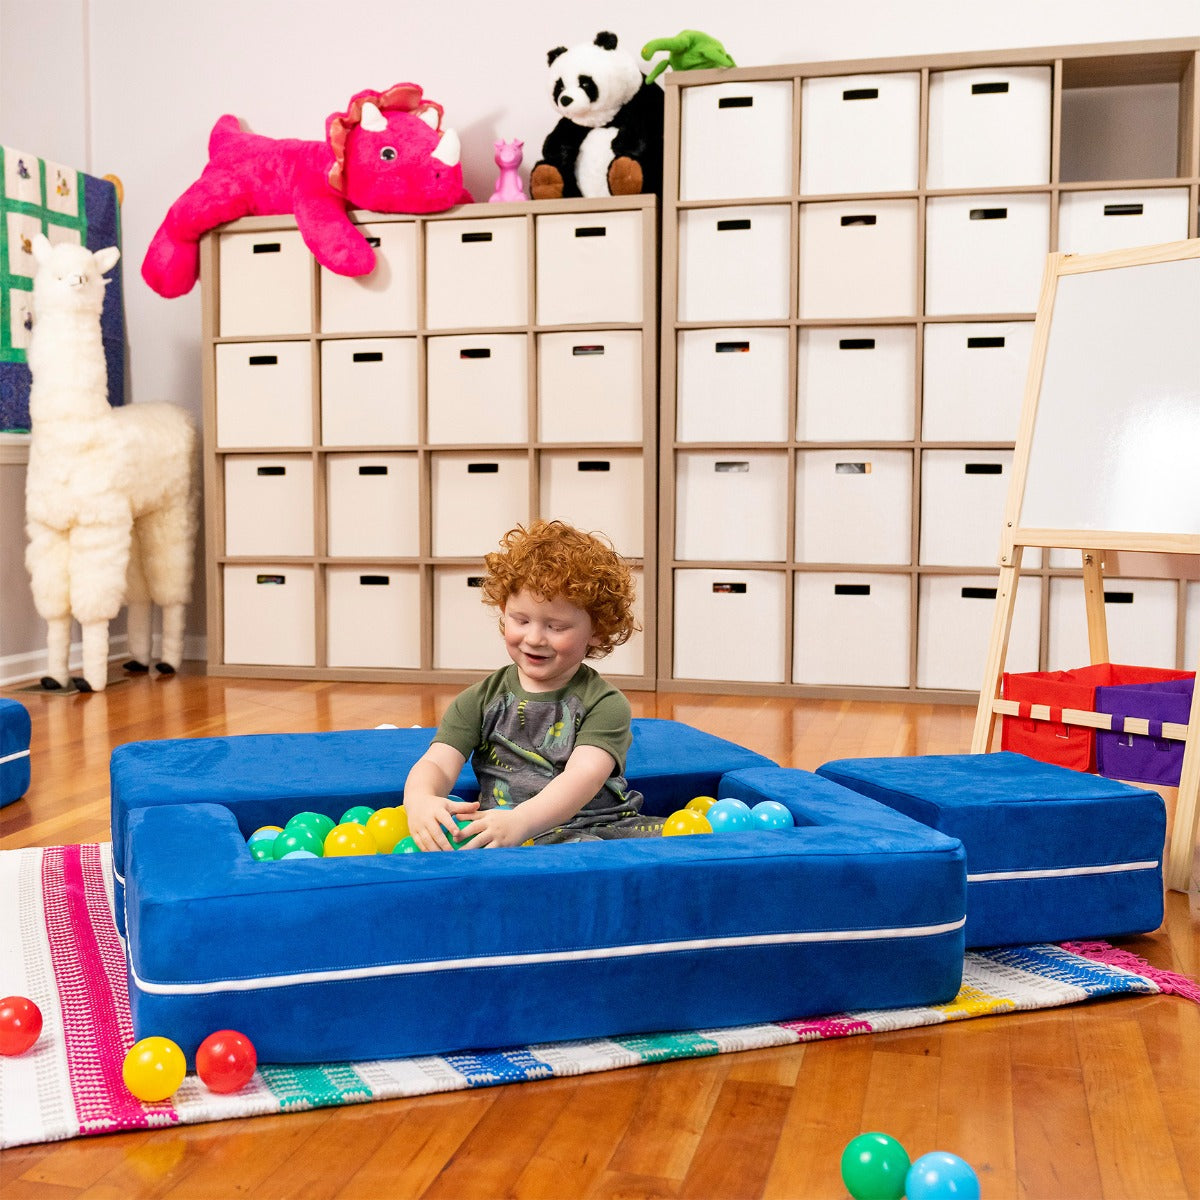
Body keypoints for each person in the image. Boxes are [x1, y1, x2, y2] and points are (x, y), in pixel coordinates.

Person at [403, 519, 663, 849]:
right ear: (503, 610)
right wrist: (421, 800)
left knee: (684, 840)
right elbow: (437, 762)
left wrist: (522, 821)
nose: (534, 638)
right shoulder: (479, 700)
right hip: (504, 835)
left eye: (556, 626)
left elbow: (582, 778)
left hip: (597, 828)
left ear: (596, 630)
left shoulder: (605, 704)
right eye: (521, 620)